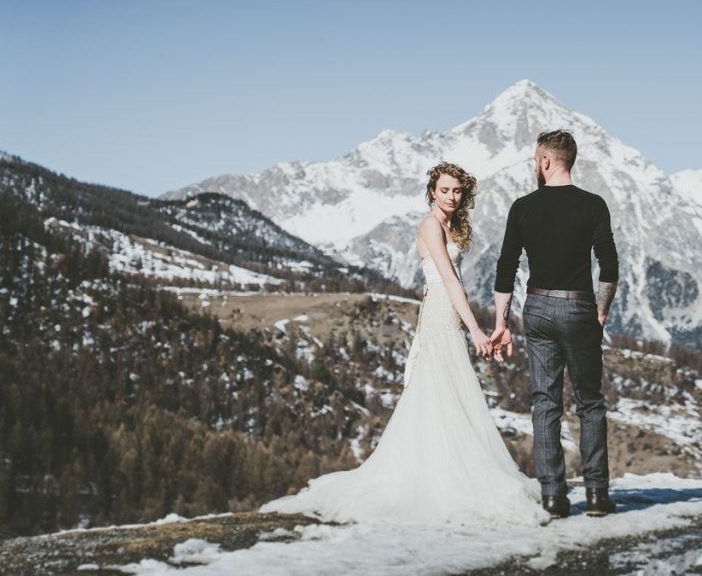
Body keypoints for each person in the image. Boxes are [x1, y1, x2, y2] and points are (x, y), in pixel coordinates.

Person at [261, 162, 550, 527]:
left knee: (450, 392)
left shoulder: (449, 224)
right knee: (438, 390)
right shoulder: (430, 225)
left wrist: (473, 325)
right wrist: (476, 329)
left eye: (457, 191)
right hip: (440, 314)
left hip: (449, 313)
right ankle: (437, 480)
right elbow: (448, 279)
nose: (451, 196)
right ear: (432, 191)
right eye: (444, 190)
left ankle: (445, 471)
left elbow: (456, 280)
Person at [491, 129, 619, 519]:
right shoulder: (593, 204)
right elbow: (609, 266)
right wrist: (600, 311)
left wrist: (501, 320)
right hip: (579, 307)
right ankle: (596, 495)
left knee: (545, 403)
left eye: (535, 159)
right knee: (590, 402)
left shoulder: (522, 207)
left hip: (539, 309)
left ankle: (553, 496)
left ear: (545, 160)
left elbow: (506, 266)